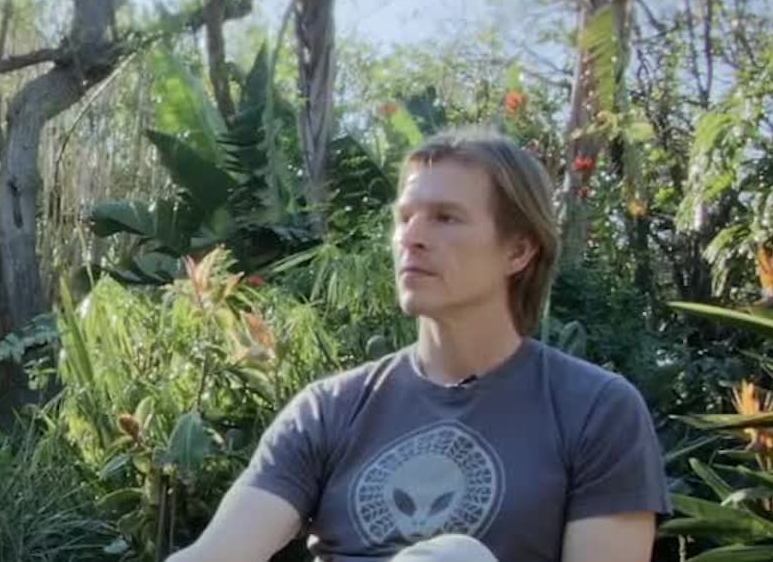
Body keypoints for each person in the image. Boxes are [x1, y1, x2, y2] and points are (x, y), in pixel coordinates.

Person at [167, 128, 669, 562]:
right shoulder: (329, 410)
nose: (412, 237)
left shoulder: (594, 409)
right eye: (405, 217)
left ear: (518, 250)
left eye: (445, 218)